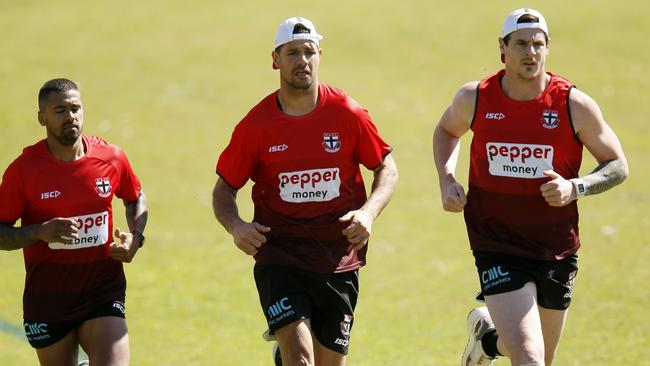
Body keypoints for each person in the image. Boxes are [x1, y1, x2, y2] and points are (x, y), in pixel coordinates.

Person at [433, 8, 628, 366]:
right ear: (502, 49)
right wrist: (447, 178)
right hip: (496, 241)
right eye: (521, 44)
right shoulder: (475, 98)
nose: (530, 52)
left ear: (547, 48)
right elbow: (447, 130)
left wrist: (576, 187)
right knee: (530, 357)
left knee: (537, 355)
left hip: (555, 245)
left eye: (538, 44)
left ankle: (488, 343)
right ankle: (499, 341)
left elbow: (617, 166)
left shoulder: (573, 104)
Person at [212, 16, 398, 366]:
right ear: (275, 59)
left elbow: (386, 167)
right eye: (292, 52)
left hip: (338, 256)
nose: (302, 60)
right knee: (301, 361)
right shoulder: (256, 126)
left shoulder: (348, 113)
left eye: (309, 52)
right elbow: (224, 189)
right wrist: (236, 226)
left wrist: (368, 212)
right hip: (279, 256)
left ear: (320, 56)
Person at [0, 78, 148, 366]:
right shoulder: (24, 171)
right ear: (42, 117)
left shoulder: (111, 158)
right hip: (49, 298)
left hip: (103, 290)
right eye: (60, 110)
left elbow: (136, 197)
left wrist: (136, 237)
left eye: (76, 108)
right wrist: (39, 232)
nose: (71, 116)